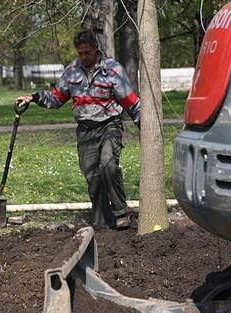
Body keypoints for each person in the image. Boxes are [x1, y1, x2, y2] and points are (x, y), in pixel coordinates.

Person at [16, 30, 140, 230]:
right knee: (93, 176)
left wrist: (145, 127)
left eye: (87, 53)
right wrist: (34, 97)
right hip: (85, 129)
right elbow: (57, 98)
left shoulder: (113, 70)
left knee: (108, 164)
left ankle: (121, 212)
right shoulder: (72, 71)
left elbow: (131, 102)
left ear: (96, 49)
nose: (84, 57)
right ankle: (102, 222)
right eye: (80, 53)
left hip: (109, 125)